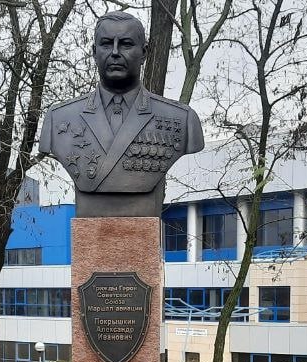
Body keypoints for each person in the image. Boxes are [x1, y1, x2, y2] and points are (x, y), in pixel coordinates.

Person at [39, 11, 203, 218]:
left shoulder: (182, 120)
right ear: (94, 52)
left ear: (144, 53)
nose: (115, 52)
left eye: (126, 44)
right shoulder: (58, 119)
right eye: (107, 44)